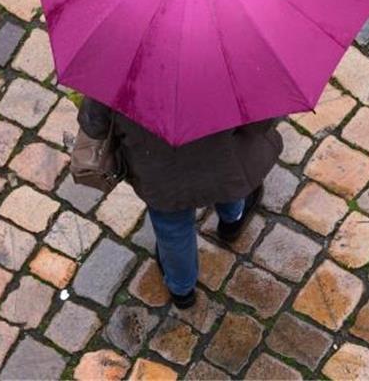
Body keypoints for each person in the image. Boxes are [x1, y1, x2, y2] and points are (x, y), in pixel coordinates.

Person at [76, 96, 283, 308]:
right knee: (231, 191)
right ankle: (232, 223)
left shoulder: (118, 74)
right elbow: (261, 122)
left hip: (161, 179)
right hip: (224, 164)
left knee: (173, 232)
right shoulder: (234, 71)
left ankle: (181, 290)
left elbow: (94, 125)